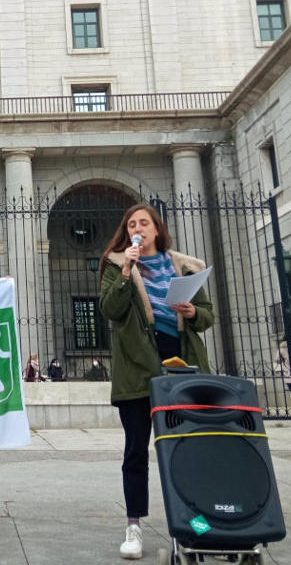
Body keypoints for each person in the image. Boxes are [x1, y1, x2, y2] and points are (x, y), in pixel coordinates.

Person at [99, 204, 213, 560]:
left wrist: (193, 312)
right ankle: (134, 526)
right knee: (136, 451)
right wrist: (126, 270)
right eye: (131, 223)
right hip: (137, 369)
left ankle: (196, 522)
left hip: (181, 366)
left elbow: (207, 316)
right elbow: (110, 310)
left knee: (189, 450)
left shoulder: (183, 265)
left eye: (144, 222)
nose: (138, 228)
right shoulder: (117, 265)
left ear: (156, 228)